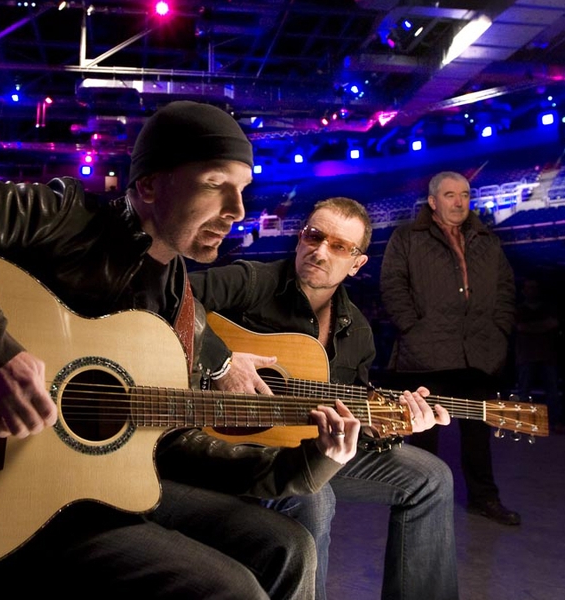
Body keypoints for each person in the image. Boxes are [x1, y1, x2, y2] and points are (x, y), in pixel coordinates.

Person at [0, 100, 362, 599]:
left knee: (287, 547)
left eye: (242, 190)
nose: (237, 211)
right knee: (231, 590)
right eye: (214, 185)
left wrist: (305, 465)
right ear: (150, 185)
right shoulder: (72, 221)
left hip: (93, 484)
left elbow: (173, 442)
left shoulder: (178, 298)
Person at [190, 196, 459, 600]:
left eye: (339, 246)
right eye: (314, 237)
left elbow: (351, 421)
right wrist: (222, 362)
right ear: (300, 238)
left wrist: (386, 425)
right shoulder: (253, 280)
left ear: (357, 263)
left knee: (432, 477)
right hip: (228, 438)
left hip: (309, 444)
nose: (320, 251)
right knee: (314, 494)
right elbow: (172, 297)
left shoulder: (358, 332)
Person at [380, 170, 520, 526]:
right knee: (425, 433)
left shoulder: (488, 240)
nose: (459, 202)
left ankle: (484, 498)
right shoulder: (407, 237)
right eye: (450, 195)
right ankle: (420, 500)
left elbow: (505, 288)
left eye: (465, 195)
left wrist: (499, 330)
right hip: (426, 354)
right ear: (432, 201)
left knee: (478, 434)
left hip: (478, 351)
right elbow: (393, 285)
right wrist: (413, 328)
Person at [514, 275, 563, 433]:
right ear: (523, 291)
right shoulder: (519, 310)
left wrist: (531, 328)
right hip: (526, 356)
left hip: (547, 355)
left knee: (553, 393)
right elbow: (520, 327)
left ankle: (555, 422)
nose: (532, 291)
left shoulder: (548, 308)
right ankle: (522, 422)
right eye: (529, 288)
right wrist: (542, 327)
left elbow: (553, 324)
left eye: (534, 288)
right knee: (523, 392)